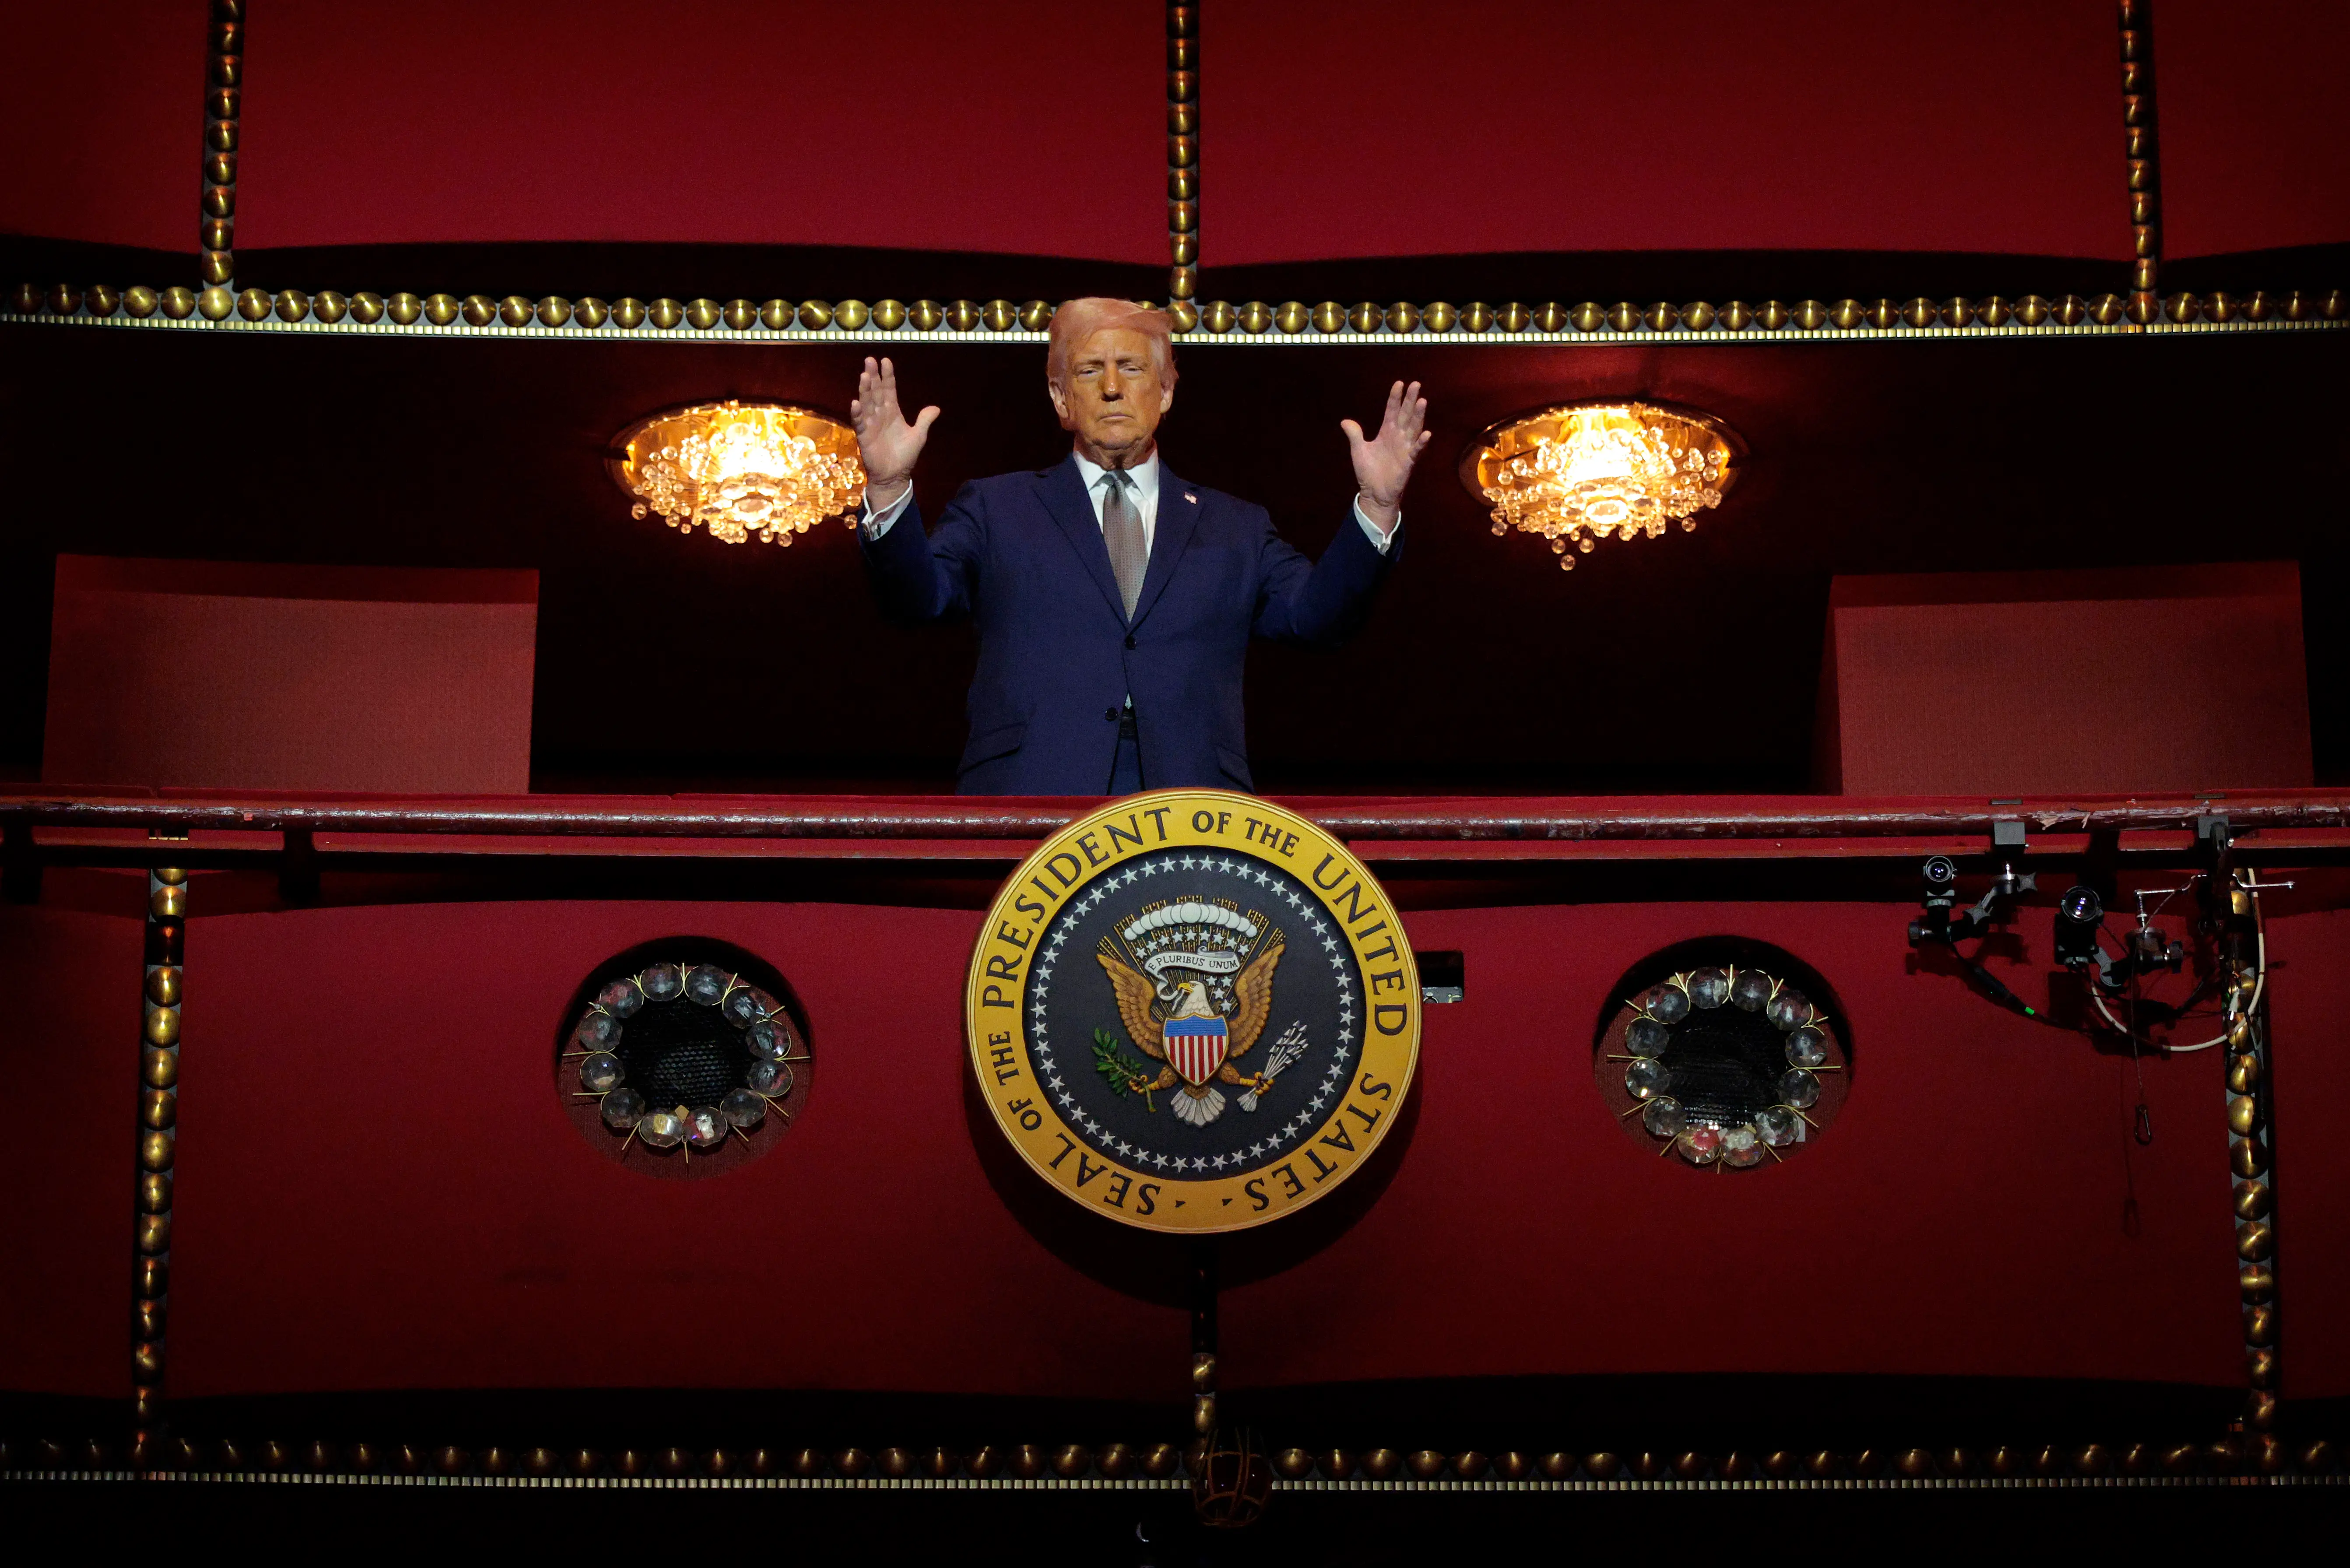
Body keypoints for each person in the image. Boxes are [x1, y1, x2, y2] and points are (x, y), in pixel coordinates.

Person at [849, 296, 1428, 795]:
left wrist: (1377, 507)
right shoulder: (995, 508)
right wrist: (889, 487)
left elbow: (1317, 619)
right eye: (1088, 371)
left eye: (1130, 367)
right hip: (1033, 795)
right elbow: (916, 601)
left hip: (1191, 805)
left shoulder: (1237, 527)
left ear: (1168, 390)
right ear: (1059, 397)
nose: (1110, 388)